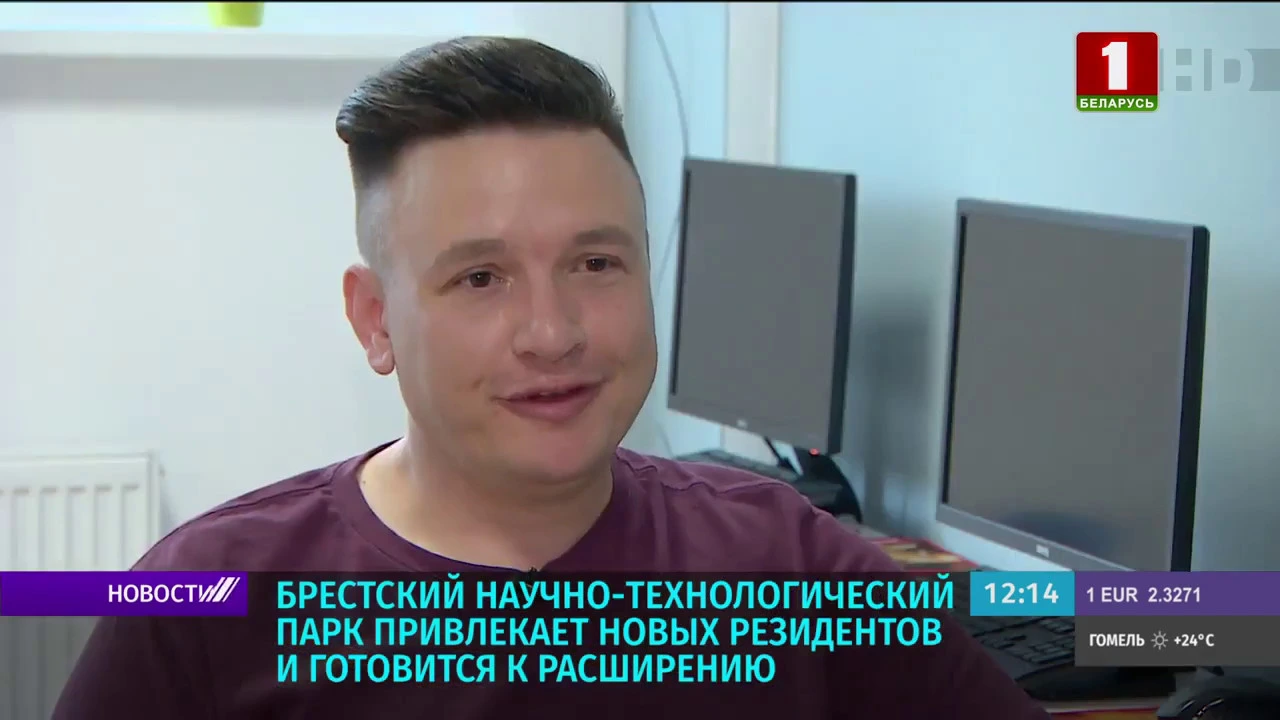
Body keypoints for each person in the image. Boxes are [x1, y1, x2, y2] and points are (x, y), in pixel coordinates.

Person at [53, 36, 1049, 719]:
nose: (552, 332)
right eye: (480, 278)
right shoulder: (206, 605)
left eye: (595, 263)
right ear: (375, 319)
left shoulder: (784, 563)